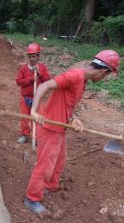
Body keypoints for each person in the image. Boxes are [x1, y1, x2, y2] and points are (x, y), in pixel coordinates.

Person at [24, 50, 120, 214]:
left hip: (60, 128)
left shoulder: (83, 81)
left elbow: (69, 104)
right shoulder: (74, 76)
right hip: (49, 128)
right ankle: (32, 198)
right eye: (106, 76)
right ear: (104, 71)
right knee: (45, 165)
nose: (103, 79)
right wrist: (34, 111)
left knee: (60, 160)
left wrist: (74, 119)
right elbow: (45, 85)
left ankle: (50, 186)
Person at [16, 43, 51, 144]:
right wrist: (30, 79)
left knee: (37, 118)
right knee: (25, 117)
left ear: (38, 56)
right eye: (30, 56)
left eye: (34, 56)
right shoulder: (23, 68)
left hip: (37, 99)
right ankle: (24, 135)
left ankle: (36, 137)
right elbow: (18, 81)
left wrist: (40, 74)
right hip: (25, 98)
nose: (32, 59)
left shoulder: (42, 68)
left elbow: (47, 81)